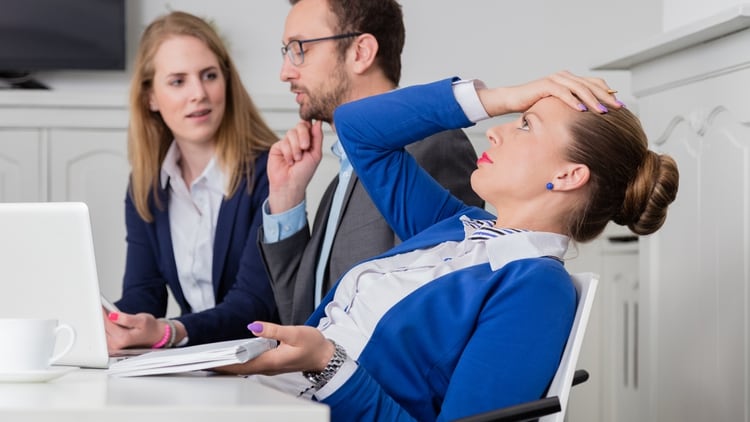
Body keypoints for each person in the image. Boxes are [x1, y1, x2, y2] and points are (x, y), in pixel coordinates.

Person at [219, 71, 680, 421]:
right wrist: (500, 97)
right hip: (273, 397)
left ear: (566, 176)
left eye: (524, 125)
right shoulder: (458, 227)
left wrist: (327, 362)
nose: (495, 130)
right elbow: (358, 129)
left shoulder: (536, 289)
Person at [261, 0, 483, 325]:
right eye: (286, 52)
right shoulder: (340, 179)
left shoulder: (431, 147)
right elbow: (300, 316)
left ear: (361, 52)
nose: (285, 73)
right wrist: (286, 199)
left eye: (299, 49)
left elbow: (430, 315)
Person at [104, 11, 280, 351]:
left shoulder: (269, 171)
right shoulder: (147, 185)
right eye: (178, 81)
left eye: (209, 75)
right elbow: (145, 294)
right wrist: (108, 320)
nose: (198, 93)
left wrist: (171, 331)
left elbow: (254, 306)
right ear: (150, 98)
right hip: (195, 364)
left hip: (262, 366)